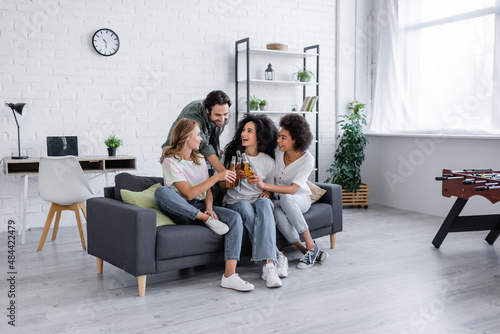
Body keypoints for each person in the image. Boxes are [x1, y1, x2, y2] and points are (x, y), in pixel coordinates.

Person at [154, 118, 254, 292]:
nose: (201, 139)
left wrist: (209, 208)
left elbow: (207, 189)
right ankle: (204, 219)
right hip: (182, 209)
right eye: (198, 135)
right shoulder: (170, 161)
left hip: (201, 207)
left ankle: (230, 275)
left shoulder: (199, 158)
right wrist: (216, 177)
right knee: (161, 192)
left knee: (235, 217)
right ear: (186, 137)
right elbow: (189, 193)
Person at [249, 114, 329, 269]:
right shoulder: (278, 151)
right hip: (280, 199)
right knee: (277, 213)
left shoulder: (307, 159)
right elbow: (271, 172)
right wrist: (269, 191)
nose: (278, 140)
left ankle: (311, 245)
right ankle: (305, 250)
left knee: (286, 198)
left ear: (296, 140)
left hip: (300, 199)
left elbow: (293, 190)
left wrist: (265, 186)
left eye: (283, 137)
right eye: (279, 136)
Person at [222, 114, 287, 288]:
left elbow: (270, 188)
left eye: (249, 131)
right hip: (235, 201)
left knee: (266, 203)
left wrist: (261, 184)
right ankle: (275, 256)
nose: (244, 133)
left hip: (256, 199)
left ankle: (268, 267)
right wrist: (232, 177)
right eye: (243, 130)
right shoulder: (233, 156)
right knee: (244, 206)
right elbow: (220, 187)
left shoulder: (268, 162)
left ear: (259, 137)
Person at [161, 90, 231, 172]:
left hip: (199, 156)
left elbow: (214, 138)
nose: (222, 119)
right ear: (207, 110)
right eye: (217, 115)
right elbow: (204, 145)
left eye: (225, 114)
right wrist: (224, 173)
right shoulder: (193, 113)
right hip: (178, 155)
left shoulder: (225, 112)